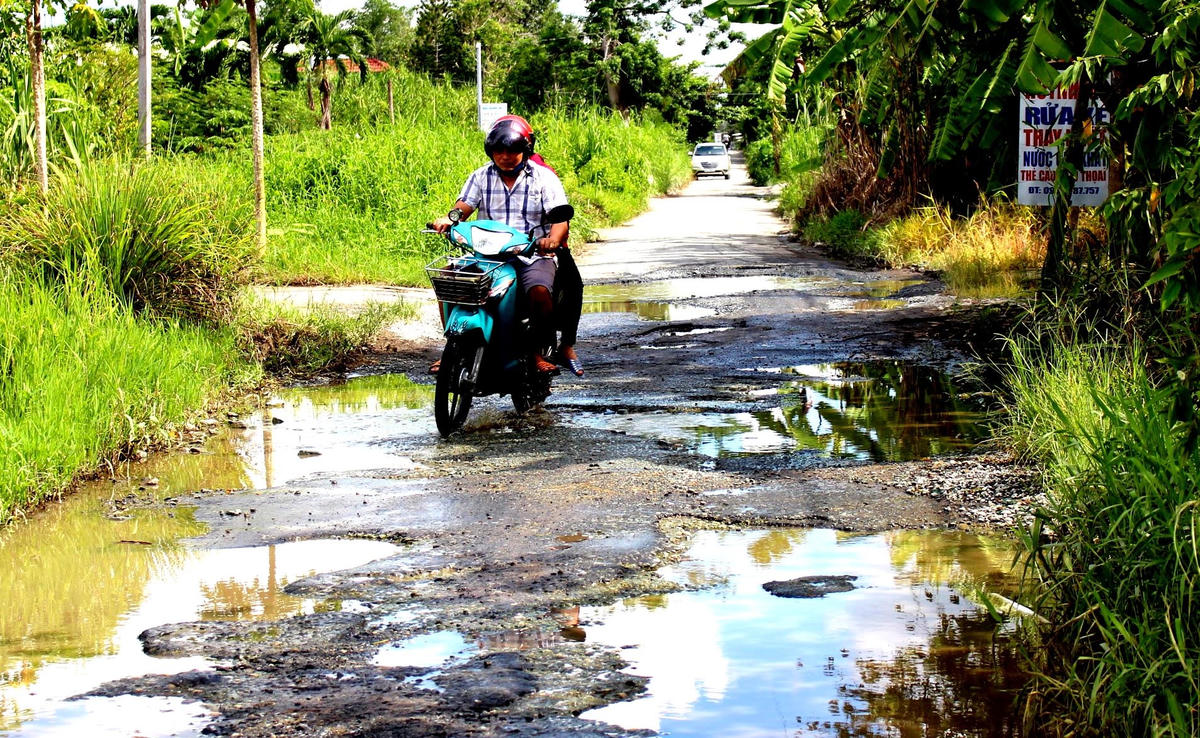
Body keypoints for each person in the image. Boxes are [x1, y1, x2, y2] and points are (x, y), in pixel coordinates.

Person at [432, 115, 579, 375]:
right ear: (491, 151)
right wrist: (449, 219)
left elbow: (560, 219)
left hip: (531, 255)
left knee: (539, 292)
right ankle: (453, 347)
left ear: (525, 150)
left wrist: (552, 240)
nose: (505, 156)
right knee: (449, 279)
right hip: (486, 256)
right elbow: (462, 208)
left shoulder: (543, 178)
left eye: (512, 150)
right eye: (499, 150)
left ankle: (537, 351)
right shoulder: (480, 177)